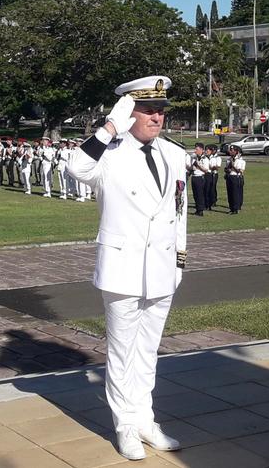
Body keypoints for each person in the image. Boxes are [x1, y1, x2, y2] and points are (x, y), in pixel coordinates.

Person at [68, 75, 186, 461]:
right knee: (121, 352)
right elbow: (75, 168)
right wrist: (110, 127)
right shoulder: (109, 153)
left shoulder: (173, 154)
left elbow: (178, 212)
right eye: (148, 110)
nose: (157, 118)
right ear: (128, 111)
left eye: (161, 111)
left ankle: (145, 420)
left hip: (162, 266)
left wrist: (180, 259)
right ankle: (125, 426)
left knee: (149, 352)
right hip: (123, 267)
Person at [225, 145, 246, 214]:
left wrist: (232, 165)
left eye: (232, 150)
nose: (230, 151)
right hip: (229, 177)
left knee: (235, 193)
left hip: (236, 177)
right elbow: (226, 169)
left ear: (236, 151)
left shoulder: (240, 160)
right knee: (230, 193)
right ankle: (231, 208)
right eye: (230, 150)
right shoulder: (229, 159)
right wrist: (228, 169)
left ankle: (236, 208)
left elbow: (240, 171)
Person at [189, 143, 208, 216]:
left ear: (202, 150)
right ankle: (197, 208)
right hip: (194, 176)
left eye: (197, 149)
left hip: (200, 177)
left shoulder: (205, 159)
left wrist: (198, 165)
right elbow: (192, 166)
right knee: (195, 194)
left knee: (200, 194)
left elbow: (206, 170)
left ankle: (200, 210)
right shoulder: (194, 158)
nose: (195, 150)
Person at [207, 144, 221, 209]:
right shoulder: (209, 157)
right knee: (209, 187)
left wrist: (211, 167)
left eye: (212, 150)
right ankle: (209, 200)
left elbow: (217, 166)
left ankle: (213, 200)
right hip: (209, 174)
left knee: (213, 187)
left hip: (214, 173)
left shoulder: (217, 157)